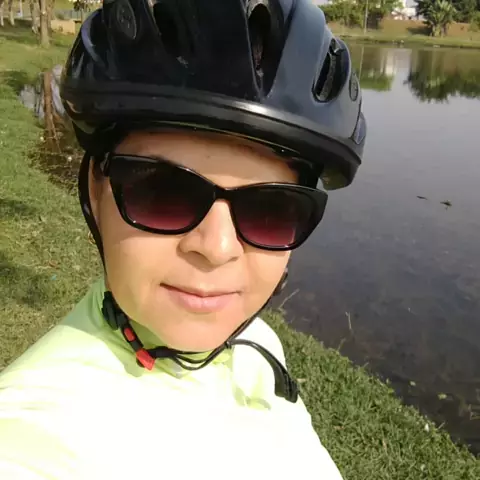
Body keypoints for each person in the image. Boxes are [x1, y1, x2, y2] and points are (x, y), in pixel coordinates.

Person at [0, 0, 366, 478]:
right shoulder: (35, 434)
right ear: (95, 188)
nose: (217, 249)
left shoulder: (252, 338)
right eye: (163, 192)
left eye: (271, 209)